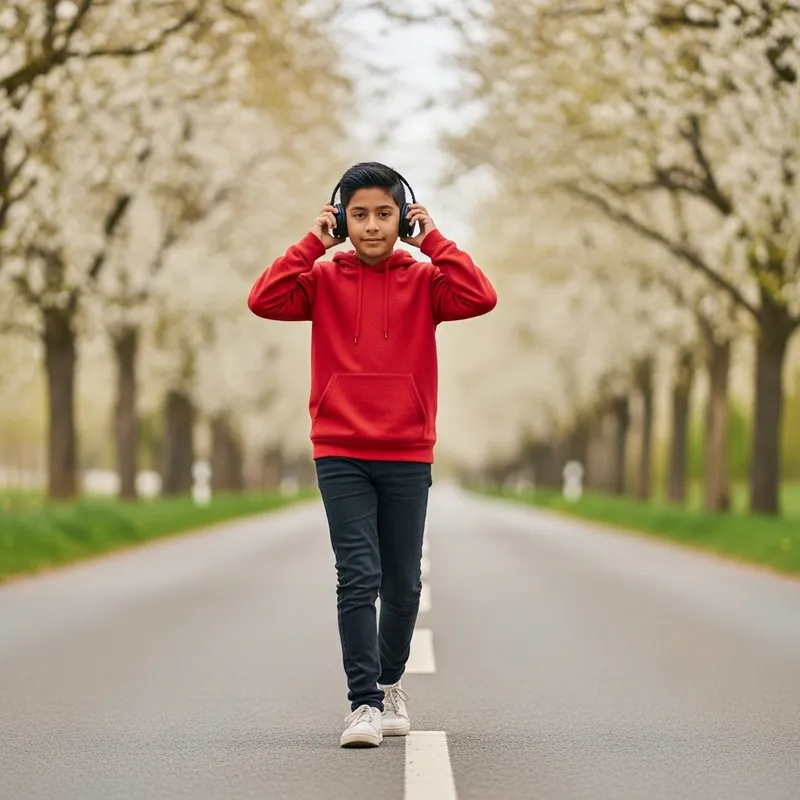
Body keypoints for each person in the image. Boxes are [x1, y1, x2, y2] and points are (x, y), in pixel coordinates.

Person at [247, 162, 497, 747]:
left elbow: (480, 296)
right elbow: (263, 299)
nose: (371, 226)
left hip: (408, 450)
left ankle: (387, 684)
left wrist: (432, 239)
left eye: (384, 214)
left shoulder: (428, 281)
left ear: (402, 216)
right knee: (358, 576)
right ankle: (361, 704)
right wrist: (313, 243)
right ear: (341, 218)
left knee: (404, 584)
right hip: (340, 448)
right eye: (357, 215)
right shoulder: (323, 279)